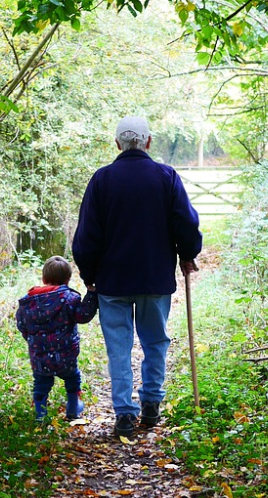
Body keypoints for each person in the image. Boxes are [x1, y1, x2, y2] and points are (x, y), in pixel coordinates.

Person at [72, 116, 202, 437]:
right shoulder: (166, 177)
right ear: (148, 141)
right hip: (154, 279)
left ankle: (125, 415)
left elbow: (86, 236)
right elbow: (185, 222)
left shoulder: (102, 180)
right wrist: (188, 254)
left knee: (119, 347)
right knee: (155, 341)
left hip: (111, 282)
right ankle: (152, 405)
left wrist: (89, 276)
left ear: (117, 144)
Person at [16, 256, 99, 422]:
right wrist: (91, 295)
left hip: (39, 355)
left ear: (44, 278)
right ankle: (73, 409)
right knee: (72, 378)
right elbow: (83, 315)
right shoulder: (70, 299)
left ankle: (40, 415)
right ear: (67, 280)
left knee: (41, 384)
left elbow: (22, 325)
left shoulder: (28, 302)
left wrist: (34, 342)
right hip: (66, 354)